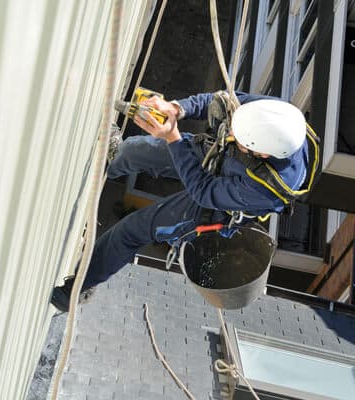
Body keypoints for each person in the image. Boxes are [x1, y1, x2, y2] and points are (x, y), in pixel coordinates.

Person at [51, 91, 315, 312]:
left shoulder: (264, 188)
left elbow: (203, 190)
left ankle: (77, 289)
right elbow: (221, 101)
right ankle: (114, 157)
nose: (235, 131)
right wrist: (176, 109)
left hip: (212, 207)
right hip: (221, 158)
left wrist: (173, 138)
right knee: (138, 151)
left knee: (131, 231)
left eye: (243, 138)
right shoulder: (277, 115)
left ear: (263, 153)